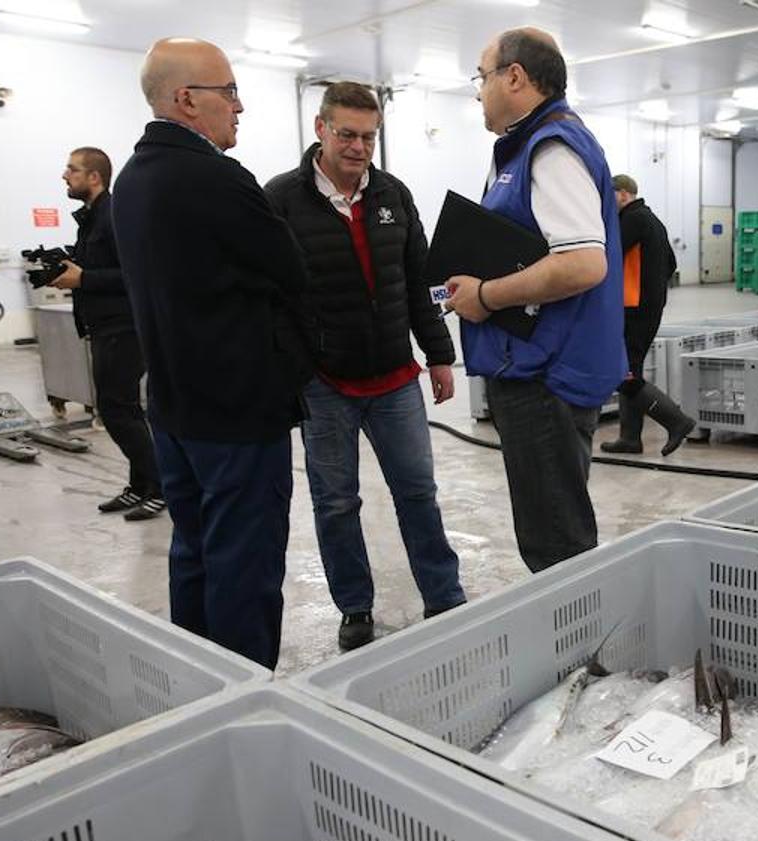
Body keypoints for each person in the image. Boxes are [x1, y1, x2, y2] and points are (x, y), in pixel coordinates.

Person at [111, 38, 311, 669]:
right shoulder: (216, 179)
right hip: (236, 412)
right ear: (186, 100)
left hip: (174, 407)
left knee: (194, 551)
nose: (239, 106)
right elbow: (291, 271)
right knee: (243, 565)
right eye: (228, 92)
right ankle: (246, 699)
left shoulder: (133, 178)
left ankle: (196, 681)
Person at [265, 82, 465, 651]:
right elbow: (271, 296)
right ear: (320, 129)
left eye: (368, 136)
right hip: (325, 384)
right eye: (347, 134)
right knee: (335, 502)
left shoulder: (393, 195)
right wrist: (295, 370)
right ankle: (355, 606)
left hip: (396, 378)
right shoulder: (281, 199)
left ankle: (444, 596)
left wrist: (440, 354)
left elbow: (422, 281)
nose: (358, 147)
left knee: (418, 493)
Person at [445, 28, 626, 573]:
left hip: (546, 375)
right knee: (555, 528)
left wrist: (485, 295)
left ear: (515, 77)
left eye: (482, 76)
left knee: (556, 547)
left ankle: (576, 655)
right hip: (540, 366)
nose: (478, 91)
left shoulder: (550, 145)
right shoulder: (531, 146)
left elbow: (582, 263)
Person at [52, 147, 165, 521]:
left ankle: (160, 486)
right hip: (105, 326)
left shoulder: (114, 217)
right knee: (124, 408)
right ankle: (140, 485)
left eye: (73, 169)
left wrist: (83, 278)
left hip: (124, 326)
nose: (65, 176)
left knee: (116, 410)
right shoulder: (91, 219)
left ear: (95, 177)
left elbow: (138, 273)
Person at [599, 174, 696, 456]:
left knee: (625, 375)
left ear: (624, 194)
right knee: (631, 368)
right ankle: (630, 439)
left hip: (633, 308)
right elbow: (671, 263)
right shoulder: (653, 220)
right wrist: (653, 292)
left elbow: (607, 256)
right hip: (648, 307)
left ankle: (677, 421)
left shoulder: (631, 219)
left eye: (610, 193)